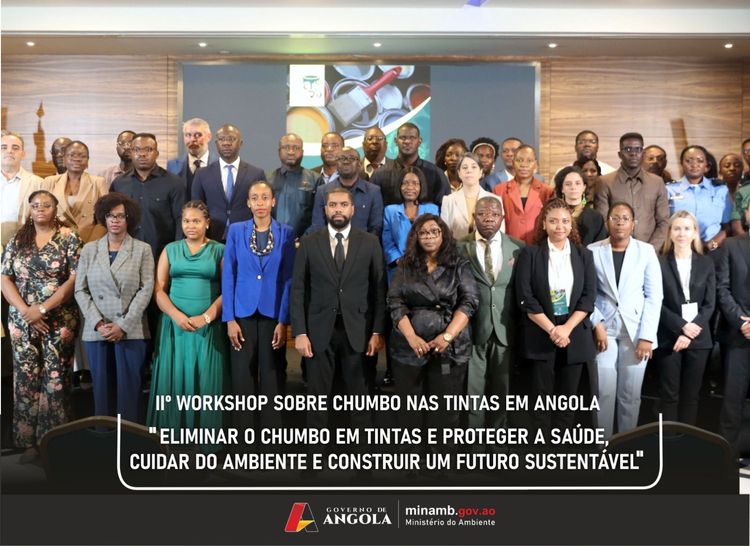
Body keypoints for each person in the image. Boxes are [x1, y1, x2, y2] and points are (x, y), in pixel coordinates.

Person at [291, 187, 385, 432]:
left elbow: (379, 290)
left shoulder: (370, 242)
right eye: (333, 205)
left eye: (343, 204)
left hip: (359, 332)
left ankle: (362, 454)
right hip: (318, 332)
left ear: (353, 209)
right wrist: (299, 332)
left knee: (360, 402)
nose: (338, 210)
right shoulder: (309, 243)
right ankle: (315, 452)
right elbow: (298, 290)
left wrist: (377, 332)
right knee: (316, 401)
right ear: (325, 209)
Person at [1, 190, 81, 463]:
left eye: (46, 205)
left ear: (55, 208)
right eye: (35, 205)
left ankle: (54, 441)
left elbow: (74, 279)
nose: (40, 209)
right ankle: (28, 444)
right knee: (25, 379)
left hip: (59, 319)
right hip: (22, 321)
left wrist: (43, 309)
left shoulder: (69, 237)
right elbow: (4, 278)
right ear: (30, 209)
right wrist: (27, 312)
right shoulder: (18, 239)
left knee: (56, 379)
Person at [387, 214, 478, 454]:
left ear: (443, 235)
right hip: (410, 346)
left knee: (446, 408)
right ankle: (411, 459)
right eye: (423, 232)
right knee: (409, 407)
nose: (429, 237)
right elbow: (395, 302)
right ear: (415, 237)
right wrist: (411, 337)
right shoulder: (405, 265)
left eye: (434, 232)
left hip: (450, 345)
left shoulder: (459, 264)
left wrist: (447, 336)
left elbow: (470, 301)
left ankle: (442, 458)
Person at [147, 201, 227, 442]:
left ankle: (205, 438)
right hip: (174, 326)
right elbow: (158, 289)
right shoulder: (170, 249)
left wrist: (206, 317)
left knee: (206, 380)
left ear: (207, 223)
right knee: (174, 377)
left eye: (196, 221)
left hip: (208, 327)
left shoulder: (220, 250)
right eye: (186, 221)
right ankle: (172, 436)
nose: (191, 225)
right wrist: (175, 315)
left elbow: (229, 290)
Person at [514, 198, 597, 434]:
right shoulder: (530, 253)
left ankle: (562, 441)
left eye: (565, 221)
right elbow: (525, 297)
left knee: (568, 398)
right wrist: (553, 330)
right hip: (541, 331)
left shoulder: (584, 255)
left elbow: (588, 297)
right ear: (543, 224)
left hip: (574, 333)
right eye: (553, 221)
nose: (559, 226)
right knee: (541, 395)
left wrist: (566, 329)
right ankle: (542, 444)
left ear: (571, 225)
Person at [74, 193, 154, 423]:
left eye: (121, 216)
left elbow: (146, 289)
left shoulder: (142, 249)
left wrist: (122, 325)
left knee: (128, 393)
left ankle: (127, 440)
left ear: (129, 219)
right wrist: (98, 323)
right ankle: (103, 439)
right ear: (103, 217)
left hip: (131, 330)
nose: (115, 220)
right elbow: (80, 290)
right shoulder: (89, 249)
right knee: (102, 393)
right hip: (97, 331)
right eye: (110, 215)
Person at [223, 181, 295, 432]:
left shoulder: (286, 232)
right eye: (255, 198)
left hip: (272, 314)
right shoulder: (236, 230)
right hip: (241, 314)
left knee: (272, 377)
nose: (260, 203)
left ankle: (271, 439)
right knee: (242, 378)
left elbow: (289, 279)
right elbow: (229, 275)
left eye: (265, 197)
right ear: (248, 203)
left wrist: (283, 320)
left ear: (273, 201)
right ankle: (243, 440)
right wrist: (229, 319)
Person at [589, 202, 663, 438]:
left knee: (630, 395)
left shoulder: (646, 251)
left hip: (637, 331)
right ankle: (602, 447)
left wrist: (647, 336)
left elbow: (654, 295)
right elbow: (587, 293)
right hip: (604, 330)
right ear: (607, 221)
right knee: (604, 392)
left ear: (633, 223)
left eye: (625, 218)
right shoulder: (592, 251)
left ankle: (625, 445)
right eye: (615, 217)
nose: (620, 222)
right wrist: (596, 324)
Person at [459, 197, 523, 432]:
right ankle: (474, 445)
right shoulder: (459, 247)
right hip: (472, 329)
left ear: (502, 218)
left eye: (494, 214)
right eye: (482, 214)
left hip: (505, 330)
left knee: (502, 393)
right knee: (473, 393)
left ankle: (498, 445)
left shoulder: (517, 248)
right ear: (474, 217)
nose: (488, 218)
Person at [654, 211, 715, 426]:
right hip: (669, 337)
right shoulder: (659, 262)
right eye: (677, 228)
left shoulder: (706, 263)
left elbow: (710, 304)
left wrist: (690, 331)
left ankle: (687, 442)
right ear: (670, 233)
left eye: (687, 228)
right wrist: (681, 327)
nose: (682, 233)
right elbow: (656, 302)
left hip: (699, 339)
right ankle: (669, 442)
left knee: (691, 397)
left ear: (695, 232)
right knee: (669, 396)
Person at [716, 198, 750, 459]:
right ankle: (728, 454)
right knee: (732, 398)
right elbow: (722, 288)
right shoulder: (731, 245)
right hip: (738, 334)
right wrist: (742, 321)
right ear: (747, 213)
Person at [595, 132, 670, 250]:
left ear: (643, 153)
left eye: (638, 149)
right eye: (628, 149)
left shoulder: (657, 182)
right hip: (616, 249)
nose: (633, 153)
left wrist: (650, 250)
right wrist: (620, 247)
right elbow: (604, 221)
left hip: (650, 251)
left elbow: (663, 222)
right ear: (620, 154)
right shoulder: (604, 182)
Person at [191, 124, 266, 242]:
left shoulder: (256, 174)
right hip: (211, 238)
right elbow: (196, 209)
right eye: (222, 139)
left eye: (231, 139)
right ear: (216, 144)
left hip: (247, 237)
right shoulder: (202, 174)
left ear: (240, 143)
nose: (226, 143)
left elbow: (262, 209)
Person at [666, 145, 731, 252]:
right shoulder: (669, 190)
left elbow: (727, 226)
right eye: (689, 161)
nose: (694, 165)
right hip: (679, 249)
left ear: (706, 165)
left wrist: (712, 244)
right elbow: (664, 224)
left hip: (713, 250)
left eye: (700, 161)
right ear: (681, 163)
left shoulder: (720, 189)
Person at [370, 122, 450, 207]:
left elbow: (445, 208)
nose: (407, 141)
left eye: (412, 138)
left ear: (419, 141)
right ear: (396, 141)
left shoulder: (436, 173)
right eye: (403, 138)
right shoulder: (380, 174)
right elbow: (372, 206)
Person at [44, 140, 109, 243]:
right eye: (72, 155)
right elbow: (43, 215)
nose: (77, 159)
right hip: (57, 241)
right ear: (64, 159)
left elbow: (105, 219)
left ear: (87, 161)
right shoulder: (50, 182)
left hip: (88, 241)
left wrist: (89, 245)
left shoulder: (98, 182)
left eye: (82, 156)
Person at [382, 167, 439, 283]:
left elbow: (437, 239)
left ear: (421, 187)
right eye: (405, 183)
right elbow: (388, 242)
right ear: (399, 186)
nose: (410, 187)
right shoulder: (390, 211)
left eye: (415, 183)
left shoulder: (432, 209)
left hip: (427, 269)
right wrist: (400, 261)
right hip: (399, 269)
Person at [310, 147, 384, 236]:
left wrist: (363, 244)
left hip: (364, 243)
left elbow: (376, 227)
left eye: (352, 158)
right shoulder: (322, 191)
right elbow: (318, 226)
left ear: (359, 164)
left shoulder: (373, 191)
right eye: (342, 158)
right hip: (329, 243)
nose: (346, 162)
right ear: (336, 164)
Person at [494, 145, 554, 245]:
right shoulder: (499, 190)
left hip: (538, 246)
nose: (524, 165)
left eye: (529, 161)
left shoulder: (547, 191)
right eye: (519, 160)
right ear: (513, 163)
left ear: (535, 164)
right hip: (509, 246)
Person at [267, 133, 319, 240]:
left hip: (305, 243)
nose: (291, 152)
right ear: (279, 152)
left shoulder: (315, 179)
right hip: (272, 241)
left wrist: (304, 240)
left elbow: (319, 217)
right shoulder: (267, 180)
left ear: (302, 152)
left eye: (296, 148)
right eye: (286, 147)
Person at [441, 152, 501, 240]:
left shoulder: (496, 199)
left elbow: (500, 233)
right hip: (456, 247)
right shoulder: (448, 200)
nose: (469, 171)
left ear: (481, 172)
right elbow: (445, 234)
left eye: (474, 167)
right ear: (459, 173)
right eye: (465, 167)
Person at [554, 166, 607, 246]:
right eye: (568, 184)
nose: (573, 187)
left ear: (584, 187)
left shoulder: (596, 217)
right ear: (562, 189)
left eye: (577, 183)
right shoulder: (553, 214)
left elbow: (600, 246)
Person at [167, 118, 215, 199]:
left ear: (209, 137)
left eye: (198, 135)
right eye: (188, 135)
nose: (192, 139)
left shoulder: (219, 164)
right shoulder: (173, 165)